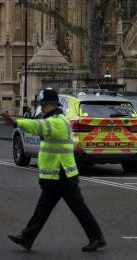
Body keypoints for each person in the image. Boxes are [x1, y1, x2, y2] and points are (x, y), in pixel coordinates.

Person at [1, 88, 106, 252]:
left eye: (44, 105)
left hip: (63, 175)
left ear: (52, 105)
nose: (41, 108)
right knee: (43, 209)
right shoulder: (55, 118)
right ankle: (27, 237)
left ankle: (97, 238)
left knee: (78, 208)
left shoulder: (57, 121)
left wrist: (16, 122)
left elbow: (38, 126)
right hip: (55, 175)